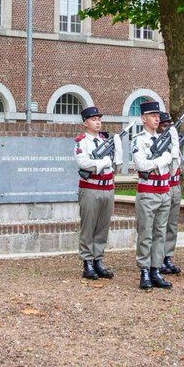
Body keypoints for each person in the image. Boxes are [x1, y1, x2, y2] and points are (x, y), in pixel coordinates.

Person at [130, 101, 174, 290]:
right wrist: (161, 160)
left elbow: (173, 160)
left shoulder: (164, 138)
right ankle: (145, 270)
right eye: (152, 115)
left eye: (158, 115)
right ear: (143, 118)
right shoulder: (139, 140)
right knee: (146, 233)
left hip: (164, 190)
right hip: (148, 191)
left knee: (160, 233)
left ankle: (156, 269)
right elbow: (142, 165)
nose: (157, 118)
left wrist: (161, 160)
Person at [74, 106, 121, 280]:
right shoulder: (82, 142)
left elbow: (115, 163)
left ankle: (98, 259)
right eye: (94, 119)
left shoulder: (105, 142)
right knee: (89, 226)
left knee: (102, 227)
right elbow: (83, 163)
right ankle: (87, 261)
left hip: (107, 187)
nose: (98, 122)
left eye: (99, 119)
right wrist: (103, 162)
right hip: (90, 188)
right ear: (85, 123)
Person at [157, 110, 184, 277]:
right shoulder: (158, 144)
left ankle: (168, 256)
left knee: (172, 225)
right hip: (163, 186)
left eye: (169, 124)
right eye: (164, 125)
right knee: (160, 224)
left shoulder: (173, 144)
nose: (167, 127)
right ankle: (158, 257)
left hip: (175, 186)